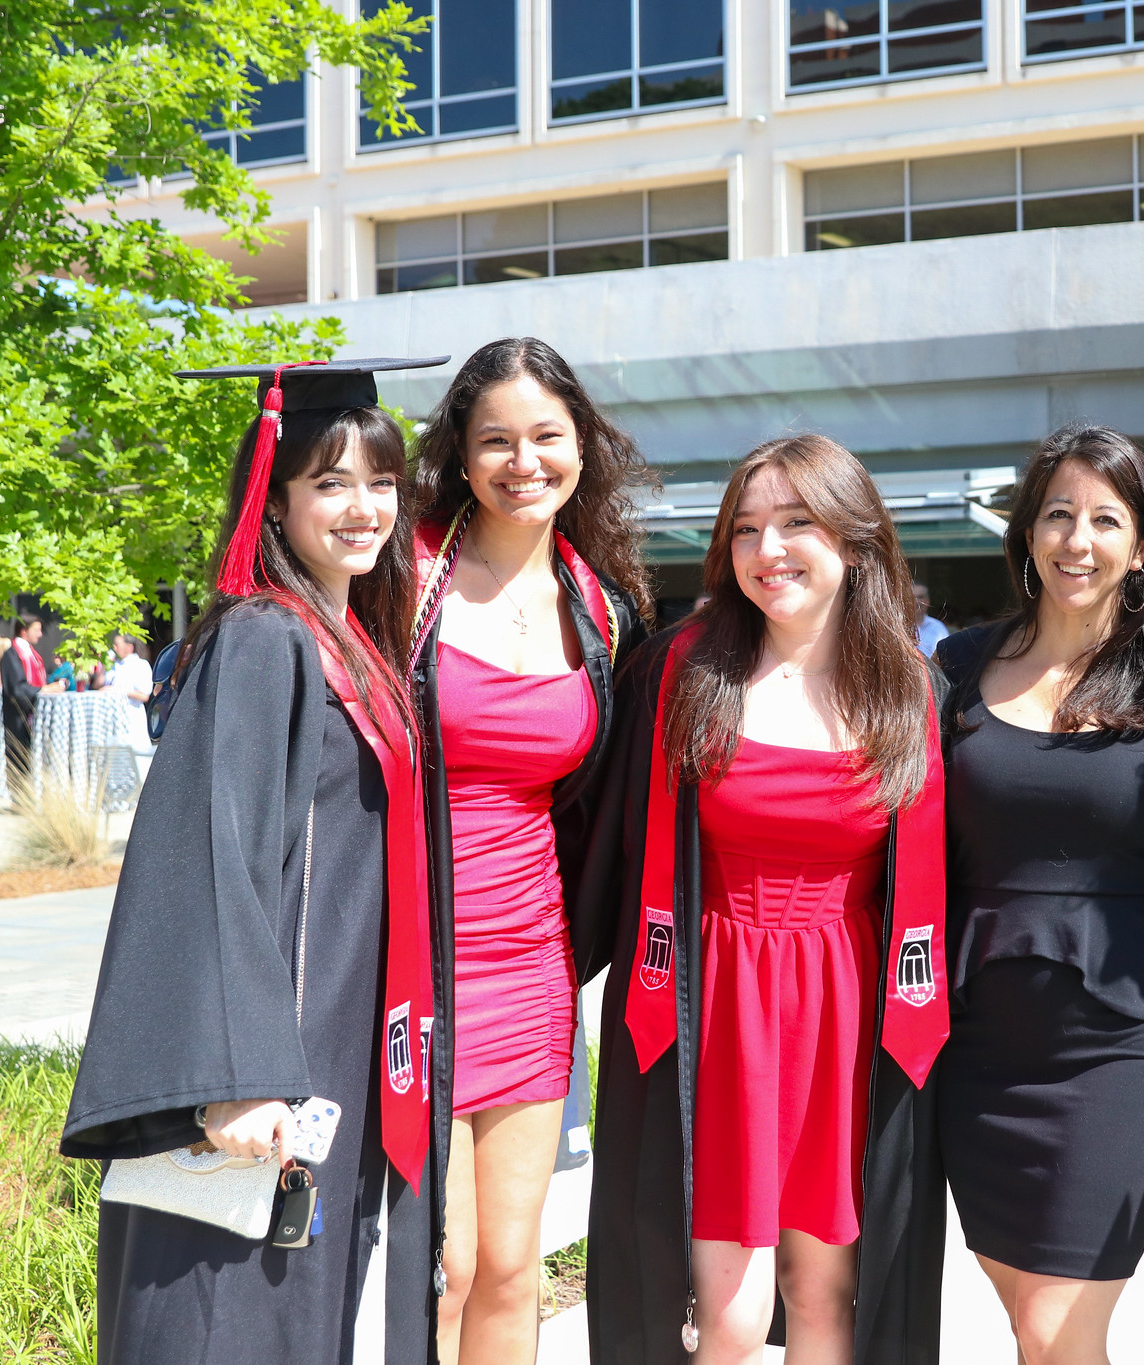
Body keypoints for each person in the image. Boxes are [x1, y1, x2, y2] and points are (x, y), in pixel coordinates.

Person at [61, 355, 453, 1365]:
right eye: (330, 483)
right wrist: (235, 1074)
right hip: (265, 1072)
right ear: (275, 501)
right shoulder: (262, 642)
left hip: (327, 1044)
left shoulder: (349, 638)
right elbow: (206, 855)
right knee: (220, 1314)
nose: (362, 508)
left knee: (284, 1313)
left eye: (379, 482)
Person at [574, 434, 949, 1363]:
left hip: (846, 1007)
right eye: (746, 528)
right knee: (731, 1316)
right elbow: (601, 834)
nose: (766, 548)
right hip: (717, 1002)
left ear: (855, 543)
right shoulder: (685, 673)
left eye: (795, 523)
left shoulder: (908, 688)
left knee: (823, 1297)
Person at [934, 423, 1144, 1365]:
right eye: (1059, 514)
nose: (1079, 539)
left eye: (1106, 519)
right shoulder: (952, 668)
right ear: (1029, 531)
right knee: (1031, 1326)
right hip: (975, 1037)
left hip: (1120, 1038)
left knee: (1057, 1327)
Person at [406, 338, 648, 1365]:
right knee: (443, 1266)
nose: (523, 461)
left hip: (530, 959)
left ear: (582, 448)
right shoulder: (399, 577)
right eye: (494, 440)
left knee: (513, 1265)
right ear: (459, 458)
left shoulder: (604, 611)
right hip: (405, 956)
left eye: (546, 436)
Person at [0, 614, 63, 759]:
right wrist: (42, 690)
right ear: (23, 631)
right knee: (20, 759)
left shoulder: (32, 654)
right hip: (18, 718)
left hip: (33, 716)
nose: (40, 634)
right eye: (37, 630)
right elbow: (16, 688)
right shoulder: (12, 654)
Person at [912, 580, 949, 655]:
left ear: (928, 600)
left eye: (920, 597)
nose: (918, 602)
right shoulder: (898, 627)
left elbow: (947, 654)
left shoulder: (938, 627)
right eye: (913, 597)